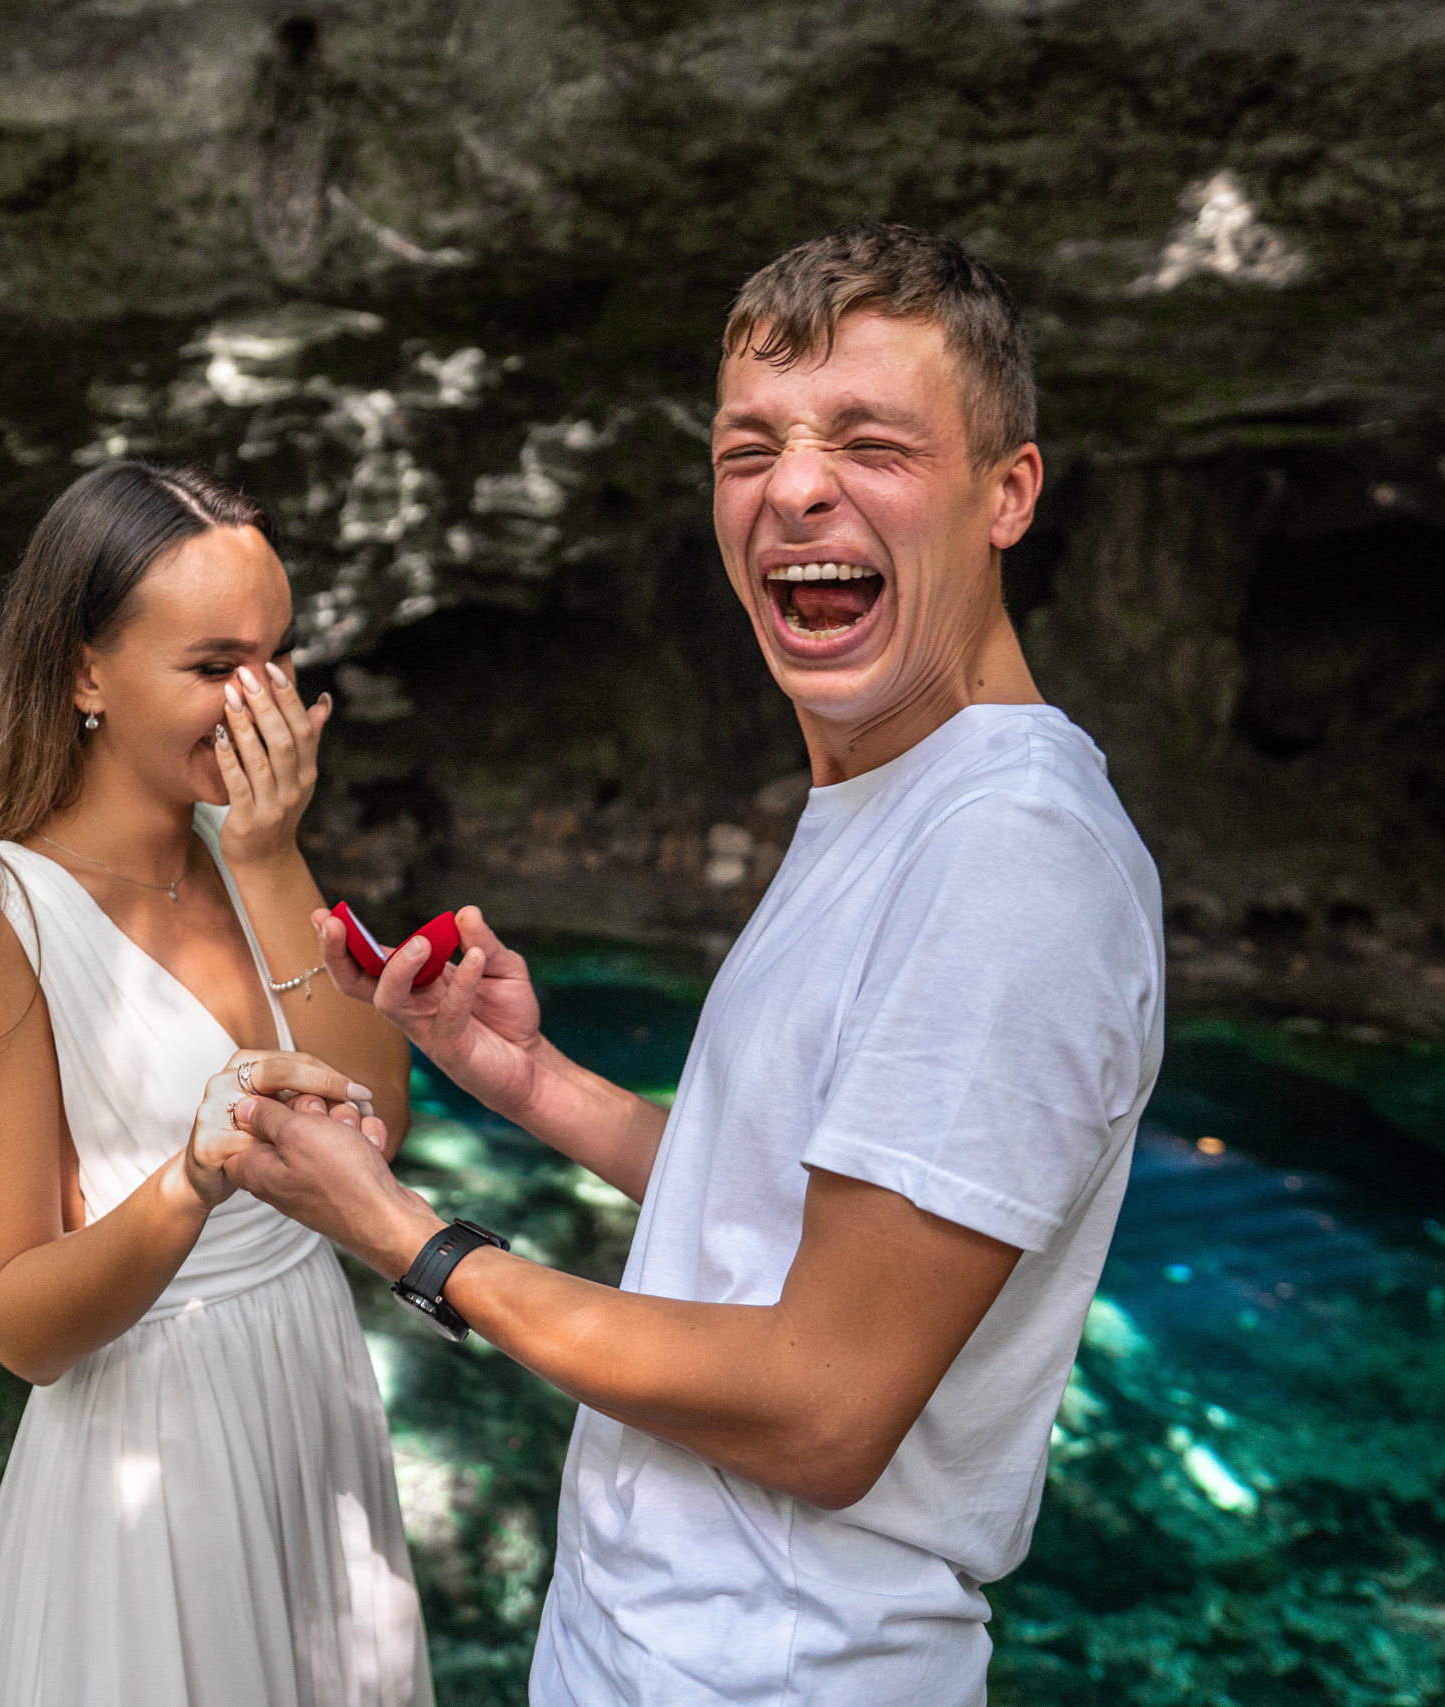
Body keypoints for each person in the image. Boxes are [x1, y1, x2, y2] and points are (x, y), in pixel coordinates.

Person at [223, 225, 1166, 1705]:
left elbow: (823, 1408)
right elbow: (793, 1209)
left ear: (1008, 492)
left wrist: (409, 1234)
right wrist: (526, 1078)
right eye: (751, 447)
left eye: (872, 440)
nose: (796, 487)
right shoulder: (893, 792)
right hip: (661, 1641)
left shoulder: (1011, 857)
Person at [0, 460, 432, 1707]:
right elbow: (20, 1325)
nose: (260, 706)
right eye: (212, 665)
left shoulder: (240, 848)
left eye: (276, 660)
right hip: (152, 1452)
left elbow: (376, 1126)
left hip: (310, 1398)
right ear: (84, 672)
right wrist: (190, 1179)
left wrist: (275, 854)